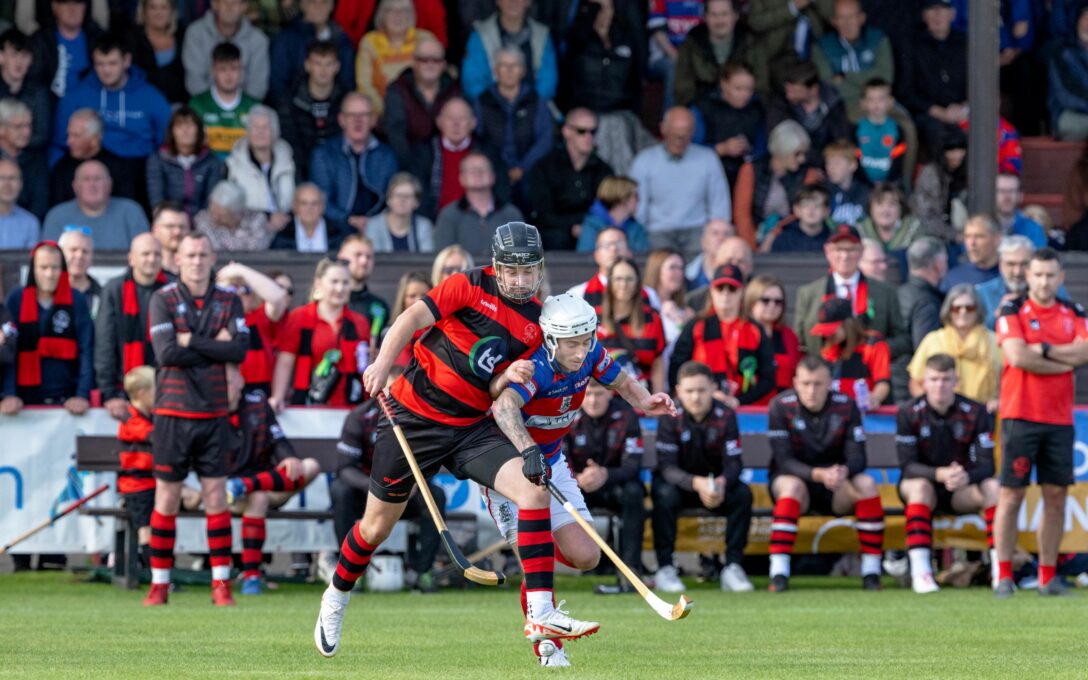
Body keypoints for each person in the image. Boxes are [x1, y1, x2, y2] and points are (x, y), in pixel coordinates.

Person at [313, 223, 600, 660]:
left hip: (470, 427)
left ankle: (541, 613)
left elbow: (495, 387)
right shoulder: (467, 285)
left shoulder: (536, 323)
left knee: (532, 487)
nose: (521, 281)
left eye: (529, 272)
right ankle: (336, 596)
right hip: (412, 420)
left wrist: (506, 378)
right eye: (513, 271)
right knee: (375, 528)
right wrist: (381, 363)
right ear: (497, 267)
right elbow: (410, 319)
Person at [488, 292, 674, 667]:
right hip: (511, 467)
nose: (581, 351)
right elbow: (502, 406)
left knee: (586, 556)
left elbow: (620, 380)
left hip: (552, 461)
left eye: (587, 340)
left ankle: (534, 556)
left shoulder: (589, 353)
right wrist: (528, 451)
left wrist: (643, 400)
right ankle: (547, 646)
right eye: (572, 343)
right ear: (553, 340)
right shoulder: (536, 367)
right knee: (535, 560)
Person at [143, 232, 249, 606]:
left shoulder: (230, 299)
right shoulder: (163, 298)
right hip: (172, 413)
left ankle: (221, 584)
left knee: (216, 497)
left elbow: (240, 348)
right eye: (190, 255)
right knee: (168, 497)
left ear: (212, 256)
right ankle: (159, 583)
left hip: (215, 411)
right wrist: (214, 346)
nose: (197, 261)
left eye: (203, 254)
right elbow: (167, 352)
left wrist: (192, 340)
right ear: (178, 259)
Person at [993, 248, 1088, 597]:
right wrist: (1065, 360)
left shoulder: (1074, 310)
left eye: (1051, 275)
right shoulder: (1011, 308)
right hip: (1021, 413)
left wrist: (1044, 350)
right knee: (1011, 494)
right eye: (1038, 275)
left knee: (1056, 496)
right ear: (1027, 276)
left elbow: (1087, 352)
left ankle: (1048, 576)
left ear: (1060, 277)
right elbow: (1017, 355)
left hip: (1059, 417)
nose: (1044, 281)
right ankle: (1003, 574)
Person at [766, 355, 885, 592]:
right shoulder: (780, 406)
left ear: (830, 383)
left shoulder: (846, 405)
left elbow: (858, 457)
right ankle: (778, 573)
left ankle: (871, 572)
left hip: (836, 485)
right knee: (791, 486)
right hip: (797, 486)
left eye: (818, 384)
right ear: (795, 383)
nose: (811, 390)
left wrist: (844, 471)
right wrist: (818, 474)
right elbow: (784, 461)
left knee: (867, 483)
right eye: (806, 384)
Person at [325, 376, 447, 591]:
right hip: (365, 493)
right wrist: (372, 487)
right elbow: (344, 469)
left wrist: (413, 483)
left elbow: (429, 460)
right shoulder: (359, 417)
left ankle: (422, 571)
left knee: (435, 495)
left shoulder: (418, 417)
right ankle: (352, 570)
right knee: (340, 491)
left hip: (402, 493)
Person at [897, 352, 998, 594]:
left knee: (994, 487)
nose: (939, 385)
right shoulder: (909, 412)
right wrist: (939, 474)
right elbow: (907, 466)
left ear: (956, 381)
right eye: (933, 379)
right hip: (923, 488)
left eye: (945, 379)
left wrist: (966, 477)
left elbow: (987, 465)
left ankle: (999, 569)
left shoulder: (976, 411)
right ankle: (921, 572)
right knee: (920, 485)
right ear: (924, 382)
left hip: (961, 490)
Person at [652, 360, 753, 593]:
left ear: (712, 388)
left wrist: (721, 483)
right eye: (689, 391)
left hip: (715, 488)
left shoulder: (726, 415)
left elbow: (734, 461)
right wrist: (696, 483)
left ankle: (733, 567)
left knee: (742, 494)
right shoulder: (669, 416)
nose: (695, 397)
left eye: (701, 390)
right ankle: (666, 567)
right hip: (680, 488)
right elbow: (666, 467)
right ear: (678, 392)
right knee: (663, 493)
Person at [221, 365, 322, 594]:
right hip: (227, 493)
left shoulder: (258, 405)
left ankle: (246, 485)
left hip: (268, 485)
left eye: (227, 382)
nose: (221, 387)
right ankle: (251, 575)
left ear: (240, 381)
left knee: (310, 466)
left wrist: (288, 458)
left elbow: (278, 440)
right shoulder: (211, 411)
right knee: (256, 498)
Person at [562, 378, 647, 595]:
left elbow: (633, 465)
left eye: (598, 394)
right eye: (587, 394)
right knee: (546, 494)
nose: (592, 400)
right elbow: (557, 460)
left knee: (634, 492)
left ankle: (631, 571)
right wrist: (578, 479)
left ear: (610, 394)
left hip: (614, 486)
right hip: (577, 488)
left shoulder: (627, 417)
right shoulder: (566, 416)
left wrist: (605, 474)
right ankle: (541, 575)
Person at [51, 33, 171, 170]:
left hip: (139, 166)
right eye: (100, 64)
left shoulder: (152, 97)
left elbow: (165, 143)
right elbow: (60, 143)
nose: (106, 70)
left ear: (126, 61)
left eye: (112, 63)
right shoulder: (75, 97)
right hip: (89, 167)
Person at [0, 241, 93, 415]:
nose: (50, 274)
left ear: (63, 270)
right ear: (33, 269)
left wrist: (82, 395)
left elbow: (86, 350)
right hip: (23, 401)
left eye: (55, 268)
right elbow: (10, 352)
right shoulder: (16, 299)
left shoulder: (77, 300)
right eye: (43, 268)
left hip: (67, 400)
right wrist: (9, 394)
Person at [629, 106, 732, 256]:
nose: (679, 141)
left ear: (693, 132)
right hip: (658, 231)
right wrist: (639, 234)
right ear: (663, 129)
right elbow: (638, 207)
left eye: (685, 136)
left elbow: (719, 205)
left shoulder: (708, 158)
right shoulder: (644, 161)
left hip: (697, 231)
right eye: (675, 135)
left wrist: (718, 235)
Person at [793, 223, 908, 356]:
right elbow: (799, 341)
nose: (844, 256)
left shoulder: (886, 292)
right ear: (827, 251)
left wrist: (878, 350)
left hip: (868, 370)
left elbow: (903, 339)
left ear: (861, 251)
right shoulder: (808, 293)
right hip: (823, 369)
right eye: (838, 249)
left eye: (851, 249)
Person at [271, 258, 371, 410]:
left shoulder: (360, 322)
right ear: (318, 284)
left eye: (345, 282)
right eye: (334, 281)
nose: (340, 288)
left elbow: (367, 366)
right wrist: (278, 396)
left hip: (351, 406)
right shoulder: (300, 317)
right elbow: (285, 361)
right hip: (308, 405)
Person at [670, 264, 775, 403]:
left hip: (743, 409)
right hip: (700, 407)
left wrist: (738, 401)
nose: (725, 294)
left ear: (741, 292)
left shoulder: (755, 329)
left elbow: (768, 378)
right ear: (712, 291)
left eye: (732, 289)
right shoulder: (696, 326)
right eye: (720, 288)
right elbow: (677, 368)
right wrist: (704, 397)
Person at [95, 233, 168, 419]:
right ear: (131, 258)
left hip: (166, 390)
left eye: (156, 254)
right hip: (124, 392)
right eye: (145, 254)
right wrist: (109, 393)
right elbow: (105, 343)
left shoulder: (172, 288)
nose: (151, 259)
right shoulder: (114, 289)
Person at [473, 46, 552, 206]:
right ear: (496, 70)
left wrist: (522, 168)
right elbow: (477, 138)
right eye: (503, 65)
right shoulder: (483, 101)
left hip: (530, 173)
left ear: (522, 71)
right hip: (492, 173)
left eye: (514, 65)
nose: (509, 71)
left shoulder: (535, 100)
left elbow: (544, 139)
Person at [310, 92, 398, 236]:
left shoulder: (386, 155)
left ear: (373, 120)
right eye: (351, 115)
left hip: (379, 229)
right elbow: (321, 200)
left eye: (364, 115)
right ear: (341, 120)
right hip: (335, 230)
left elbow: (392, 197)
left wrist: (374, 222)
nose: (358, 120)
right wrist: (348, 220)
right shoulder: (324, 154)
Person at [527, 107, 613, 250]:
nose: (588, 137)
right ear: (566, 131)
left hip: (594, 230)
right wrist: (574, 226)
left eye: (593, 132)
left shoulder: (604, 169)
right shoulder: (544, 167)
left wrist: (587, 227)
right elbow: (544, 214)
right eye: (581, 131)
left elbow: (609, 209)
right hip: (555, 235)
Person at [409, 96, 507, 220]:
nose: (456, 124)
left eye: (462, 118)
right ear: (439, 122)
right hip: (436, 224)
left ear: (473, 123)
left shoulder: (488, 153)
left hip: (480, 222)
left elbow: (502, 192)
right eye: (450, 118)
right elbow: (418, 196)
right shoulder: (424, 152)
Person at [732, 120, 822, 248]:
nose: (802, 159)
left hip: (793, 242)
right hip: (755, 240)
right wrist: (752, 249)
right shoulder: (751, 170)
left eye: (804, 153)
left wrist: (775, 233)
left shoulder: (808, 174)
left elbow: (802, 212)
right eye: (797, 154)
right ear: (782, 151)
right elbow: (742, 214)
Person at [908, 283, 1000, 410]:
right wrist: (931, 406)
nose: (963, 312)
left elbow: (1010, 381)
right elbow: (915, 382)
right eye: (957, 308)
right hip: (942, 415)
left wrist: (999, 401)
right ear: (948, 310)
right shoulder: (933, 340)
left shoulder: (995, 341)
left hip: (984, 414)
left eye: (969, 308)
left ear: (978, 310)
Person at [382, 34, 461, 171]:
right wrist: (413, 170)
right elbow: (396, 135)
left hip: (448, 167)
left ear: (443, 65)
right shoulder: (398, 90)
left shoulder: (454, 91)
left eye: (436, 60)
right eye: (424, 59)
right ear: (414, 63)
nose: (430, 64)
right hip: (407, 165)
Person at [901, 0, 967, 160]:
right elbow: (906, 91)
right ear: (924, 15)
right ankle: (942, 182)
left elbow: (981, 84)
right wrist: (939, 112)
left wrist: (965, 107)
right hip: (929, 114)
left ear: (952, 14)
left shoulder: (967, 43)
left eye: (943, 9)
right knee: (936, 133)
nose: (937, 14)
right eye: (931, 9)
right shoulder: (912, 45)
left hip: (964, 111)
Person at [460, 0, 558, 102]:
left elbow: (547, 83)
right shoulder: (481, 34)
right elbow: (473, 83)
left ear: (528, 2)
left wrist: (529, 107)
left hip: (533, 108)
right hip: (489, 109)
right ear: (498, 1)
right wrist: (496, 106)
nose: (513, 2)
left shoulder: (542, 35)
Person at [691, 61, 766, 192]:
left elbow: (762, 148)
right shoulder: (703, 107)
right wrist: (721, 149)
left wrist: (749, 151)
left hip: (745, 176)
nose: (744, 95)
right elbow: (691, 151)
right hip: (708, 175)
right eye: (738, 89)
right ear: (723, 84)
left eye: (749, 89)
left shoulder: (756, 108)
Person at [276, 40, 346, 180]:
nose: (323, 70)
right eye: (318, 64)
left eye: (329, 64)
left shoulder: (346, 100)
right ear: (307, 65)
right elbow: (290, 142)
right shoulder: (290, 99)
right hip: (300, 166)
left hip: (339, 166)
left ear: (337, 67)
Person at [215, 262, 288, 396]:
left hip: (259, 391)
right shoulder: (213, 319)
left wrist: (241, 270)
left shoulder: (261, 317)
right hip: (222, 388)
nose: (238, 295)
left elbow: (278, 297)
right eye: (231, 289)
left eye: (245, 290)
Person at [595, 258, 668, 393]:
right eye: (618, 279)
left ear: (638, 282)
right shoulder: (593, 317)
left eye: (629, 279)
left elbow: (658, 363)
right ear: (609, 282)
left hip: (641, 397)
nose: (624, 284)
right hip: (604, 401)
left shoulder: (652, 318)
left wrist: (657, 397)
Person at [812, 0, 894, 115]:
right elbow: (828, 84)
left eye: (852, 17)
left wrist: (845, 76)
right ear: (834, 21)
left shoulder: (878, 39)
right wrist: (868, 90)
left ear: (862, 18)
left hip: (880, 104)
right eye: (841, 18)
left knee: (905, 125)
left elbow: (885, 77)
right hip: (843, 107)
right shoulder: (822, 47)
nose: (847, 23)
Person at [42, 160, 149, 248]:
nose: (92, 184)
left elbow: (146, 252)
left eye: (98, 179)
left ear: (109, 185)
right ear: (75, 186)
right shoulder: (57, 216)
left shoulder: (131, 212)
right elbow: (49, 257)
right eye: (86, 179)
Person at [433, 151, 523, 254]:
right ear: (461, 178)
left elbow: (522, 258)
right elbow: (444, 259)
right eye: (471, 169)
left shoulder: (511, 215)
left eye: (482, 169)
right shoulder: (449, 215)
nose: (477, 173)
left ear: (492, 177)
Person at [356, 0, 436, 116]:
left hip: (423, 114)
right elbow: (365, 85)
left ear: (411, 15)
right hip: (382, 115)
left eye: (403, 11)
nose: (397, 15)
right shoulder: (370, 42)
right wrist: (389, 110)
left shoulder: (425, 39)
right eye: (390, 10)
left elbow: (435, 77)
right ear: (382, 15)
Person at [809, 297, 891, 410]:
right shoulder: (829, 347)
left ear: (847, 324)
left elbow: (883, 382)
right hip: (834, 413)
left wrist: (874, 398)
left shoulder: (873, 345)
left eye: (831, 331)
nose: (827, 336)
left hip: (863, 414)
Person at [268, 0, 355, 106]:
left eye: (324, 2)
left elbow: (348, 83)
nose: (318, 7)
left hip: (335, 112)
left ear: (332, 6)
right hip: (294, 110)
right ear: (302, 5)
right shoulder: (286, 39)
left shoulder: (342, 40)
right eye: (312, 2)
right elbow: (278, 83)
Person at [766, 60, 850, 167]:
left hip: (824, 167)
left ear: (813, 89)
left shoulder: (834, 107)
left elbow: (841, 144)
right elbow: (777, 136)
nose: (788, 95)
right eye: (787, 89)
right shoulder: (780, 103)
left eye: (794, 91)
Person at [225, 105, 295, 232]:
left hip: (287, 227)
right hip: (248, 230)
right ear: (247, 132)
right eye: (255, 127)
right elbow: (228, 206)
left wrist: (284, 218)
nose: (260, 132)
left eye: (266, 127)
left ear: (275, 131)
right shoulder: (232, 165)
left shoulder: (289, 161)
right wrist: (267, 218)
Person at [145, 106, 225, 218]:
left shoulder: (211, 161)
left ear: (199, 130)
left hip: (202, 222)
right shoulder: (158, 159)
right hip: (169, 220)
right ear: (171, 131)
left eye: (190, 125)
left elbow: (211, 201)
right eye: (179, 126)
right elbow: (156, 199)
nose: (185, 130)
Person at [50, 107, 139, 206]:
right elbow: (58, 209)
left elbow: (126, 207)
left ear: (95, 139)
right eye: (69, 135)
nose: (69, 142)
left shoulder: (120, 168)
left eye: (76, 136)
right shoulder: (62, 167)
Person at [182, 0, 270, 100]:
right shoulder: (195, 33)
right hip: (204, 106)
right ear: (214, 4)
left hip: (245, 108)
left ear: (244, 7)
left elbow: (257, 86)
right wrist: (214, 105)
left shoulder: (258, 40)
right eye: (225, 2)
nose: (230, 7)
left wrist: (237, 106)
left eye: (235, 3)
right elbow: (194, 81)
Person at [116, 366, 158, 568]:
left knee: (192, 498)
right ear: (142, 393)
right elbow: (155, 436)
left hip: (155, 483)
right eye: (155, 389)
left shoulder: (151, 416)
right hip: (137, 486)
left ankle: (159, 562)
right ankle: (152, 569)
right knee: (146, 528)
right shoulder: (131, 419)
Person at [189, 42, 259, 160]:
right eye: (222, 69)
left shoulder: (253, 107)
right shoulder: (197, 105)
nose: (228, 75)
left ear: (241, 70)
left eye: (234, 68)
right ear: (213, 70)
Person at [674, 0, 745, 107]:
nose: (719, 20)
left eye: (724, 14)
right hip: (702, 107)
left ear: (735, 16)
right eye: (714, 15)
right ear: (705, 17)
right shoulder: (691, 44)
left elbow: (761, 86)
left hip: (742, 108)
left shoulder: (749, 42)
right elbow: (682, 87)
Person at [743, 274, 801, 403]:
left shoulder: (789, 336)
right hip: (748, 410)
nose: (772, 305)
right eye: (765, 300)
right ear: (751, 301)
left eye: (778, 301)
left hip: (784, 410)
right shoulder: (740, 333)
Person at [567, 226, 658, 309]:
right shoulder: (577, 295)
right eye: (607, 245)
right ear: (597, 255)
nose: (614, 249)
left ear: (629, 253)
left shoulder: (649, 295)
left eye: (620, 244)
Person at [28, 0, 103, 100]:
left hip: (90, 105)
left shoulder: (97, 38)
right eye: (65, 2)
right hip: (50, 108)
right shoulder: (41, 40)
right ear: (54, 7)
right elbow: (34, 85)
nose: (72, 9)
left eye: (78, 2)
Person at [0, 29, 52, 151]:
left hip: (29, 158)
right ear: (1, 57)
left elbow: (42, 135)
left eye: (24, 55)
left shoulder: (39, 91)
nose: (19, 62)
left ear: (31, 59)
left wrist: (11, 142)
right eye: (14, 55)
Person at [128, 0, 188, 104]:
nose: (158, 13)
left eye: (164, 7)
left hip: (178, 103)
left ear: (172, 11)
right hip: (141, 102)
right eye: (153, 7)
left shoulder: (183, 35)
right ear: (144, 11)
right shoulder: (132, 38)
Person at [575, 176, 649, 254]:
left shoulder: (637, 228)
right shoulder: (592, 226)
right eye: (636, 195)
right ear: (622, 197)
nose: (639, 200)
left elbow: (642, 259)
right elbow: (585, 259)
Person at [976, 235, 1037, 330]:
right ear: (1001, 265)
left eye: (1024, 264)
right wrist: (999, 313)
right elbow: (976, 334)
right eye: (1011, 264)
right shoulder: (981, 293)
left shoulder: (1050, 290)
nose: (1017, 272)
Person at [0, 96, 47, 219]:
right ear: (1, 129)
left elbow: (40, 203)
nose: (26, 132)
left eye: (28, 126)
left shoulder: (36, 159)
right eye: (18, 127)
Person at [194, 180, 273, 252]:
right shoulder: (203, 219)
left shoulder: (257, 219)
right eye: (212, 212)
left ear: (238, 213)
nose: (215, 217)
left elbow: (257, 250)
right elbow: (213, 249)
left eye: (222, 215)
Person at [855, 182, 921, 269]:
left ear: (901, 208)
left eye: (892, 205)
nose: (885, 211)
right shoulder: (859, 231)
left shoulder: (914, 229)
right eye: (879, 204)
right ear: (870, 208)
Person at [898, 236, 947, 351]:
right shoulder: (927, 303)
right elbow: (926, 351)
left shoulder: (899, 293)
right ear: (938, 265)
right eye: (945, 261)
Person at [1048, 1, 1088, 141]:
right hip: (1070, 115)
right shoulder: (1062, 52)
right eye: (1084, 18)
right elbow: (1066, 96)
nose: (1087, 24)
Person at [338, 234, 390, 341]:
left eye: (369, 257)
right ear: (341, 257)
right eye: (358, 255)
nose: (364, 261)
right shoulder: (321, 302)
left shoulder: (380, 306)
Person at [365, 172, 434, 252]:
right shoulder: (374, 225)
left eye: (407, 196)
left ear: (416, 202)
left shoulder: (424, 226)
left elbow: (426, 259)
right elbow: (374, 257)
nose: (402, 200)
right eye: (398, 195)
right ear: (388, 199)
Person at [271, 183, 346, 253]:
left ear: (322, 207)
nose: (309, 208)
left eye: (314, 203)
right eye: (303, 203)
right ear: (294, 207)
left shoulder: (338, 234)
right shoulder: (282, 236)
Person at [763, 184, 833, 253]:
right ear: (797, 210)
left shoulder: (834, 240)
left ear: (826, 211)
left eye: (817, 205)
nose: (811, 209)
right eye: (806, 204)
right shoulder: (783, 240)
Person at [942, 214, 1002, 291]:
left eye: (979, 236)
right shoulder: (953, 278)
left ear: (996, 239)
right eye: (967, 236)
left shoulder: (1012, 275)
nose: (972, 243)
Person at [821, 140, 868, 227]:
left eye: (837, 163)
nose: (831, 168)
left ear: (853, 165)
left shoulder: (866, 193)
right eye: (828, 163)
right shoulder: (823, 192)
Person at [388, 270, 431, 366]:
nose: (419, 300)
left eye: (424, 295)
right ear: (402, 300)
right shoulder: (394, 332)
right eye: (412, 296)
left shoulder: (440, 330)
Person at [994, 172, 1047, 248]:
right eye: (1001, 191)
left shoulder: (1034, 229)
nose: (1006, 197)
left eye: (1011, 191)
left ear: (1020, 196)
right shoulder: (982, 228)